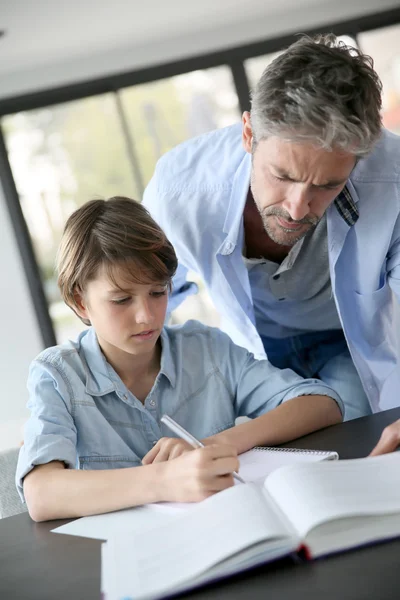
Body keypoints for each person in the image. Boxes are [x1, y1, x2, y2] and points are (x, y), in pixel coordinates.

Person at [16, 197, 342, 522]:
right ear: (80, 301)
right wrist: (168, 480)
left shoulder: (205, 348)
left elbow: (322, 403)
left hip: (226, 529)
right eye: (121, 299)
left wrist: (214, 446)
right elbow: (41, 494)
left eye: (158, 293)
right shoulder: (57, 375)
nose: (146, 316)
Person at [143, 33, 400, 423]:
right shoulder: (179, 193)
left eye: (327, 185)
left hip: (347, 344)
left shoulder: (393, 182)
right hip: (254, 351)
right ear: (248, 134)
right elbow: (140, 298)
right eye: (282, 175)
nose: (297, 208)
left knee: (358, 433)